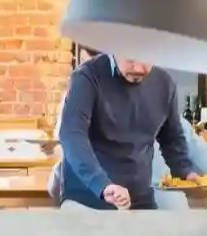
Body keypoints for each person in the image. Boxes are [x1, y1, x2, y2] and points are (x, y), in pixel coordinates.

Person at [53, 54, 198, 210]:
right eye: (131, 57)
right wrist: (102, 185)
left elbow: (172, 138)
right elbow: (72, 135)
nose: (139, 68)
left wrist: (184, 171)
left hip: (140, 200)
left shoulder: (165, 83)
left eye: (146, 58)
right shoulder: (87, 77)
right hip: (87, 199)